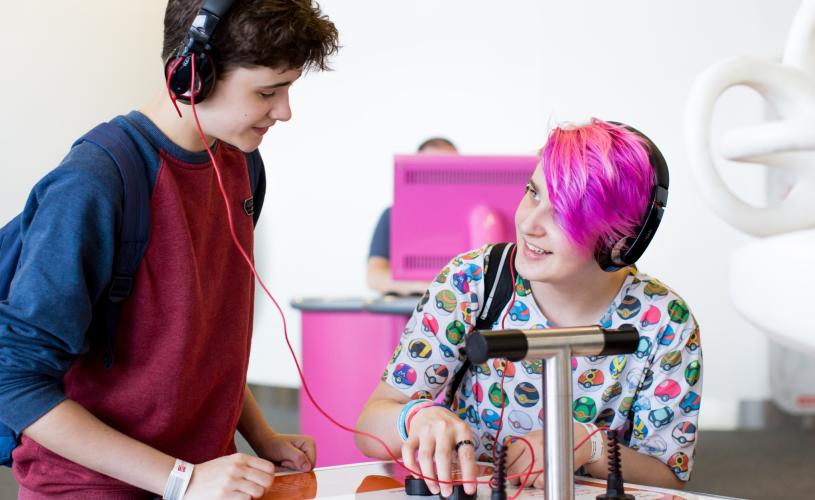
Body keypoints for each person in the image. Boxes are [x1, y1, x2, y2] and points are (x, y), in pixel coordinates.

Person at [0, 1, 338, 498]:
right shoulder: (94, 183)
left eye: (287, 89)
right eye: (268, 92)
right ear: (190, 73)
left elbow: (198, 338)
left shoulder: (241, 164)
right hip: (96, 487)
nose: (284, 112)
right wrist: (183, 478)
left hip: (201, 481)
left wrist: (261, 436)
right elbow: (13, 382)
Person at [355, 119, 702, 496]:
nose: (529, 223)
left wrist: (590, 444)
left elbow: (670, 478)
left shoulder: (666, 321)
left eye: (563, 214)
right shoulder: (472, 280)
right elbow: (370, 425)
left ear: (622, 240)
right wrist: (413, 418)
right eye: (533, 193)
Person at [367, 137, 458, 295]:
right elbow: (374, 276)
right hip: (411, 310)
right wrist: (432, 288)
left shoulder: (480, 220)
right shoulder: (392, 216)